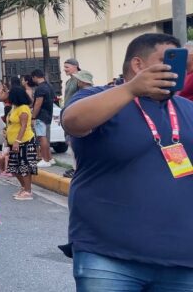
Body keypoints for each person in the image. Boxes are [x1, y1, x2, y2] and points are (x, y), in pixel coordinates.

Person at [61, 33, 193, 291]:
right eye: (166, 60)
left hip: (182, 260)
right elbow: (73, 121)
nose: (174, 69)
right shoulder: (99, 97)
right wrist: (131, 89)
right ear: (137, 64)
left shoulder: (186, 109)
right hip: (108, 257)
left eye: (180, 62)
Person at [5, 85, 38, 200]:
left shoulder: (23, 108)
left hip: (24, 141)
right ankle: (24, 188)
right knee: (14, 167)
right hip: (14, 142)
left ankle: (28, 191)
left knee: (24, 166)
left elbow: (23, 126)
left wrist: (17, 141)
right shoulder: (14, 108)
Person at [30, 69, 56, 168]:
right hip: (48, 115)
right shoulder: (49, 86)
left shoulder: (40, 88)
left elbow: (38, 103)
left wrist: (33, 117)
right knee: (46, 137)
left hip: (41, 116)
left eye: (32, 78)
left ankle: (45, 160)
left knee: (42, 137)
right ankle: (50, 158)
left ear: (35, 77)